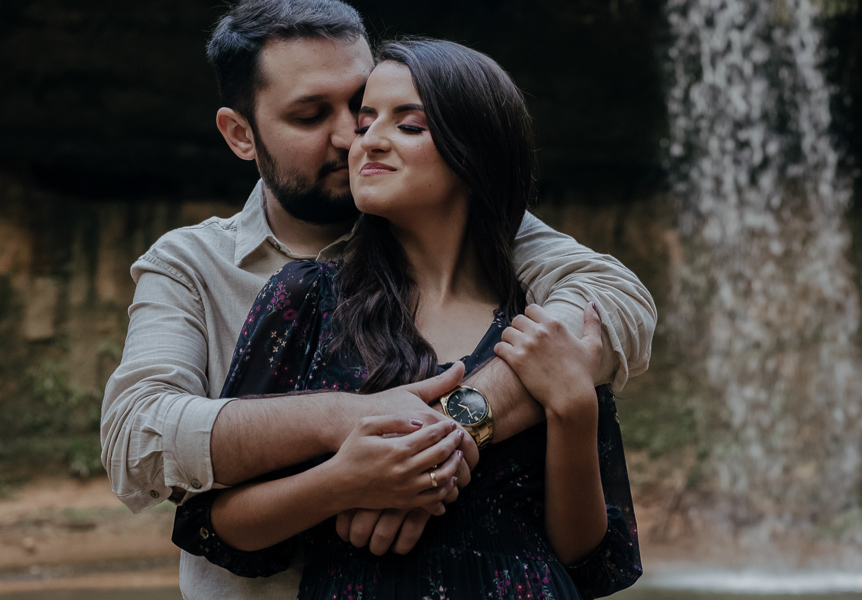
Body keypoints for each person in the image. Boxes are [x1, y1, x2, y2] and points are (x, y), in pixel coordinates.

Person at [99, 1, 655, 598]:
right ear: (241, 135)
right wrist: (349, 424)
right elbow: (137, 436)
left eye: (364, 110)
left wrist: (450, 430)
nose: (353, 138)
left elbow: (613, 303)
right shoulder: (197, 266)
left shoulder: (491, 240)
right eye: (312, 115)